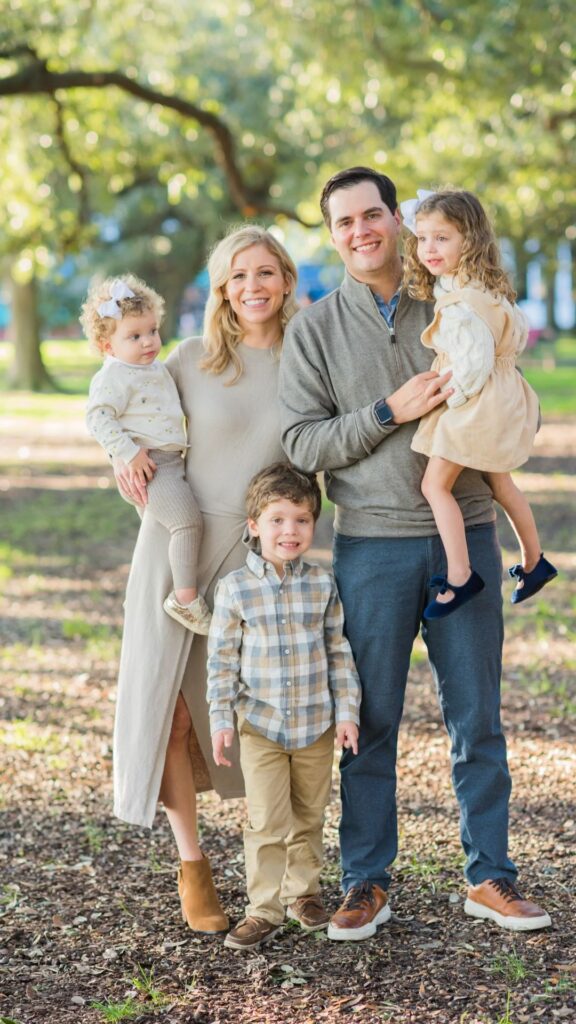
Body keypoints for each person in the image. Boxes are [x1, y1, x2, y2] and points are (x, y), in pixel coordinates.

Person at [279, 166, 551, 940]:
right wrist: (385, 412)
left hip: (468, 530)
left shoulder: (453, 294)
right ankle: (366, 880)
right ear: (332, 235)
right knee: (369, 719)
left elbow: (502, 379)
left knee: (478, 718)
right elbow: (301, 441)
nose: (361, 231)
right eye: (344, 222)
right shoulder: (315, 329)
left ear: (397, 219)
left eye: (373, 215)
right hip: (372, 547)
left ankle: (490, 875)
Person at [111, 226, 299, 933]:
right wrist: (123, 460)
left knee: (259, 716)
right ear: (222, 287)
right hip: (177, 549)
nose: (252, 286)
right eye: (237, 276)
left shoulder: (308, 357)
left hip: (258, 559)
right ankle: (192, 864)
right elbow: (127, 414)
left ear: (285, 278)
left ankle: (276, 866)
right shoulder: (188, 359)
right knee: (173, 709)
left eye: (265, 272)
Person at [206, 462, 361, 951]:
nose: (290, 531)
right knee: (267, 822)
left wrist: (347, 713)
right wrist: (220, 718)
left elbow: (338, 651)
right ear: (254, 526)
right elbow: (221, 661)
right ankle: (263, 909)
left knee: (309, 816)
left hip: (316, 726)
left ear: (313, 523)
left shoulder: (322, 584)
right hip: (262, 727)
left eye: (301, 520)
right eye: (277, 520)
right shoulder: (235, 589)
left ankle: (303, 894)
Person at [400, 188, 557, 619]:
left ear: (468, 240)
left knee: (434, 486)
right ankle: (534, 562)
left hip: (474, 402)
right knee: (501, 484)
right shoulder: (486, 287)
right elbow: (511, 339)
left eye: (442, 238)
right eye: (422, 238)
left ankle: (460, 575)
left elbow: (474, 362)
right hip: (501, 396)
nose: (428, 248)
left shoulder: (460, 304)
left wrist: (452, 400)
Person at [82, 274, 211, 634]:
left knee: (161, 538)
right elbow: (97, 417)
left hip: (167, 462)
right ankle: (185, 600)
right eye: (134, 336)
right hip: (151, 466)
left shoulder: (152, 367)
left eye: (152, 331)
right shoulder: (115, 376)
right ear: (107, 346)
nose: (149, 341)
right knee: (187, 523)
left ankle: (146, 596)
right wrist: (127, 453)